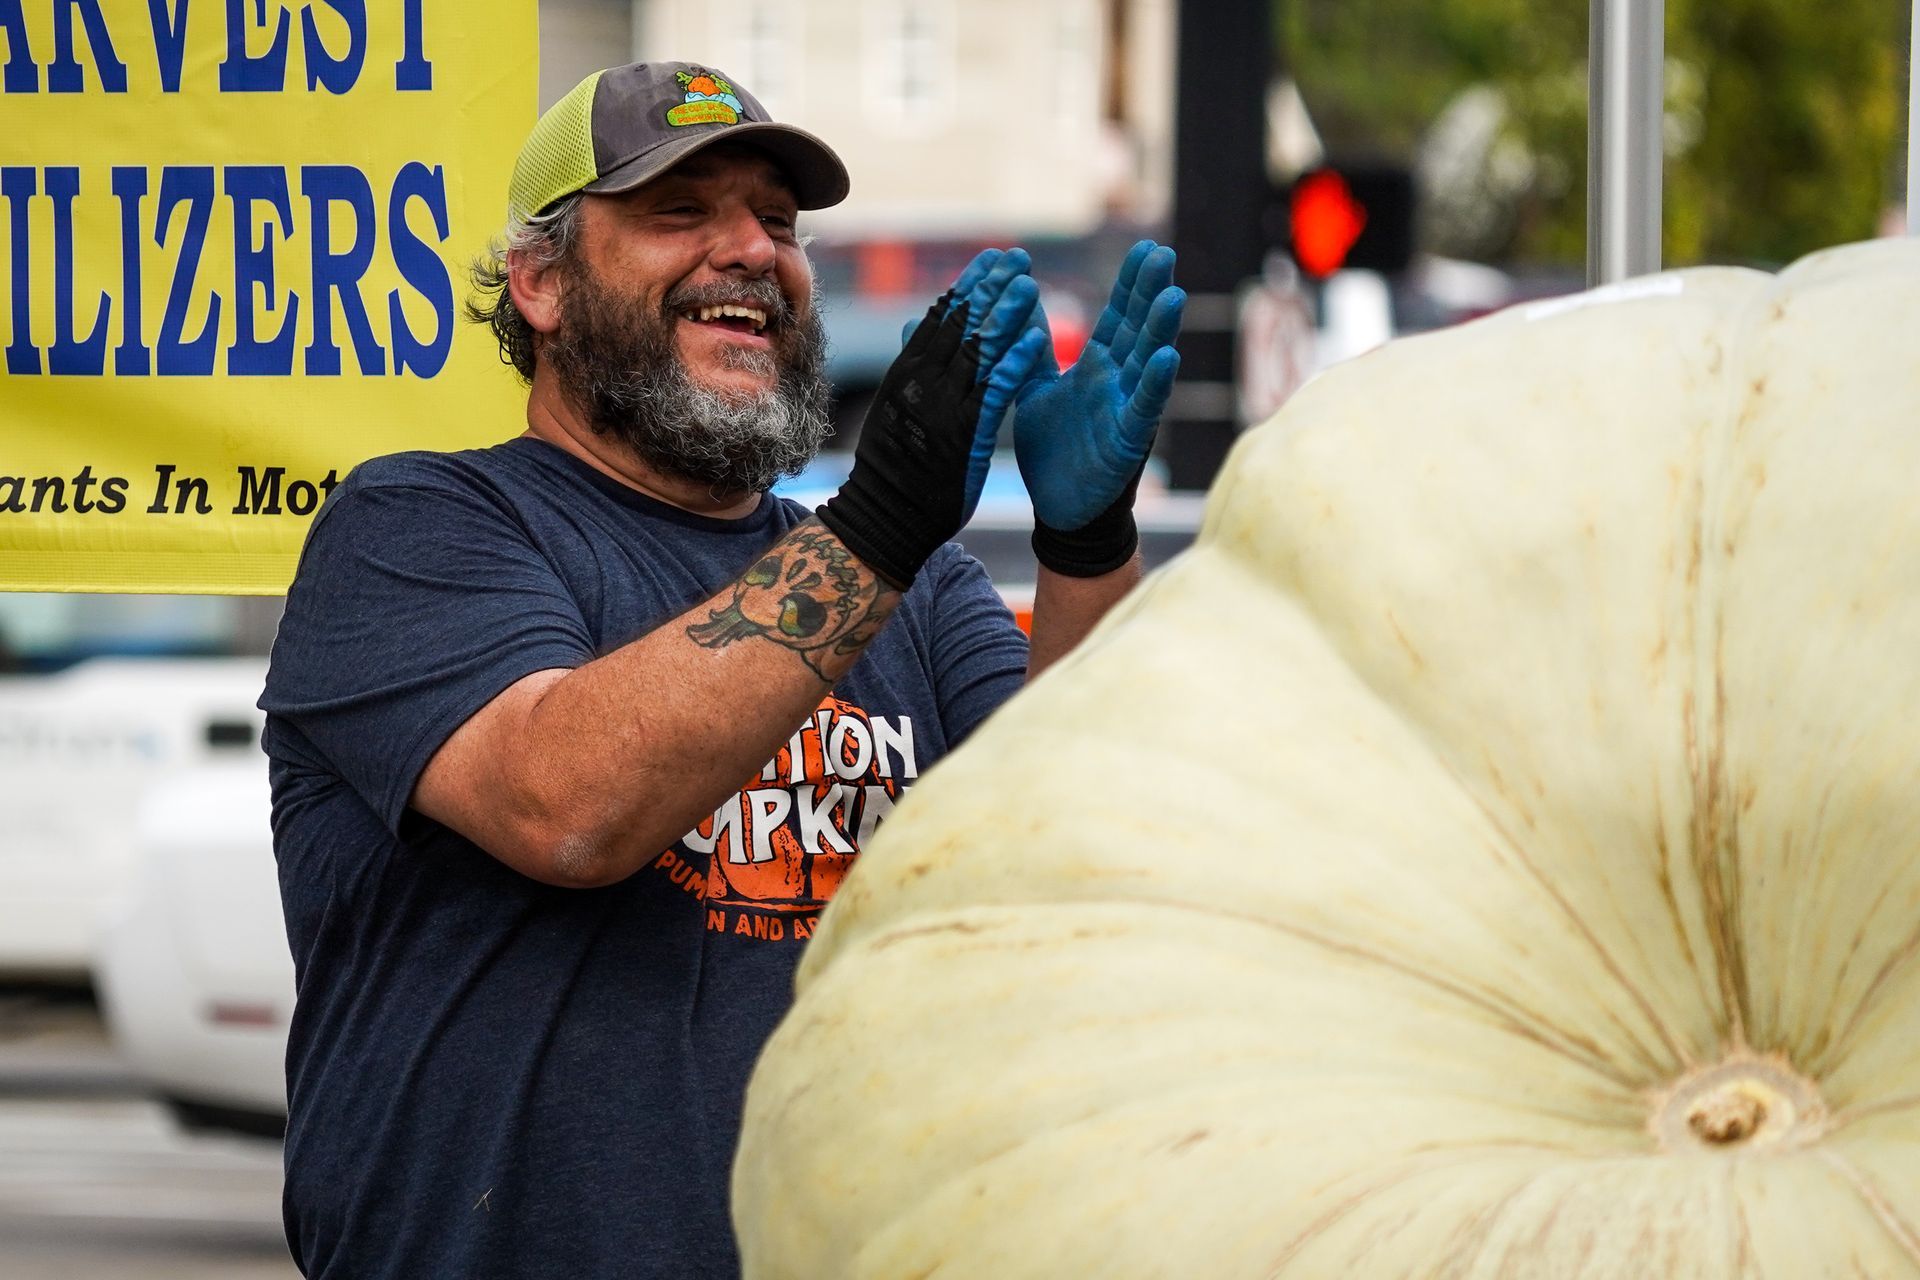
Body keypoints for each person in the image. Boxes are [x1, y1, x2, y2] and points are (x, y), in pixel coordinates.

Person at [259, 61, 1183, 1279]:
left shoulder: (922, 589)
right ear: (540, 282)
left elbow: (1063, 875)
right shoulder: (417, 526)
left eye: (779, 221)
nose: (752, 249)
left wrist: (1086, 548)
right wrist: (884, 521)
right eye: (679, 212)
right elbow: (570, 805)